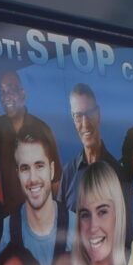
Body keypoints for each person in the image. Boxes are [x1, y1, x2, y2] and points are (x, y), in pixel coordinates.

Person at [3, 115, 65, 265]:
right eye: (25, 168)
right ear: (18, 174)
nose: (33, 178)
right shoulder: (4, 233)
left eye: (39, 166)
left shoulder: (78, 228)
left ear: (52, 170)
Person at [58, 83, 110, 251]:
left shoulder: (118, 173)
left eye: (89, 113)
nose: (85, 123)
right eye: (78, 116)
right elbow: (60, 229)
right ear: (73, 119)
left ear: (98, 114)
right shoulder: (69, 173)